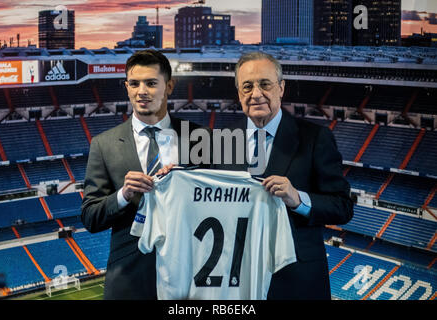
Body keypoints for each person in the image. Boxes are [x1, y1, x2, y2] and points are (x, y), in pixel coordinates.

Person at [214, 51, 354, 299]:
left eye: (265, 84)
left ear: (281, 88)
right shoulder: (221, 139)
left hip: (296, 282)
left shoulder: (314, 138)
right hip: (235, 280)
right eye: (247, 86)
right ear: (239, 94)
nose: (256, 94)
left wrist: (299, 200)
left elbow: (343, 207)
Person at [81, 49, 202, 299]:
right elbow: (90, 217)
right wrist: (123, 195)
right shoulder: (104, 145)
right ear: (126, 87)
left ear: (169, 86)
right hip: (129, 280)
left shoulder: (201, 138)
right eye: (134, 83)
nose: (141, 91)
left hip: (190, 277)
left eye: (151, 83)